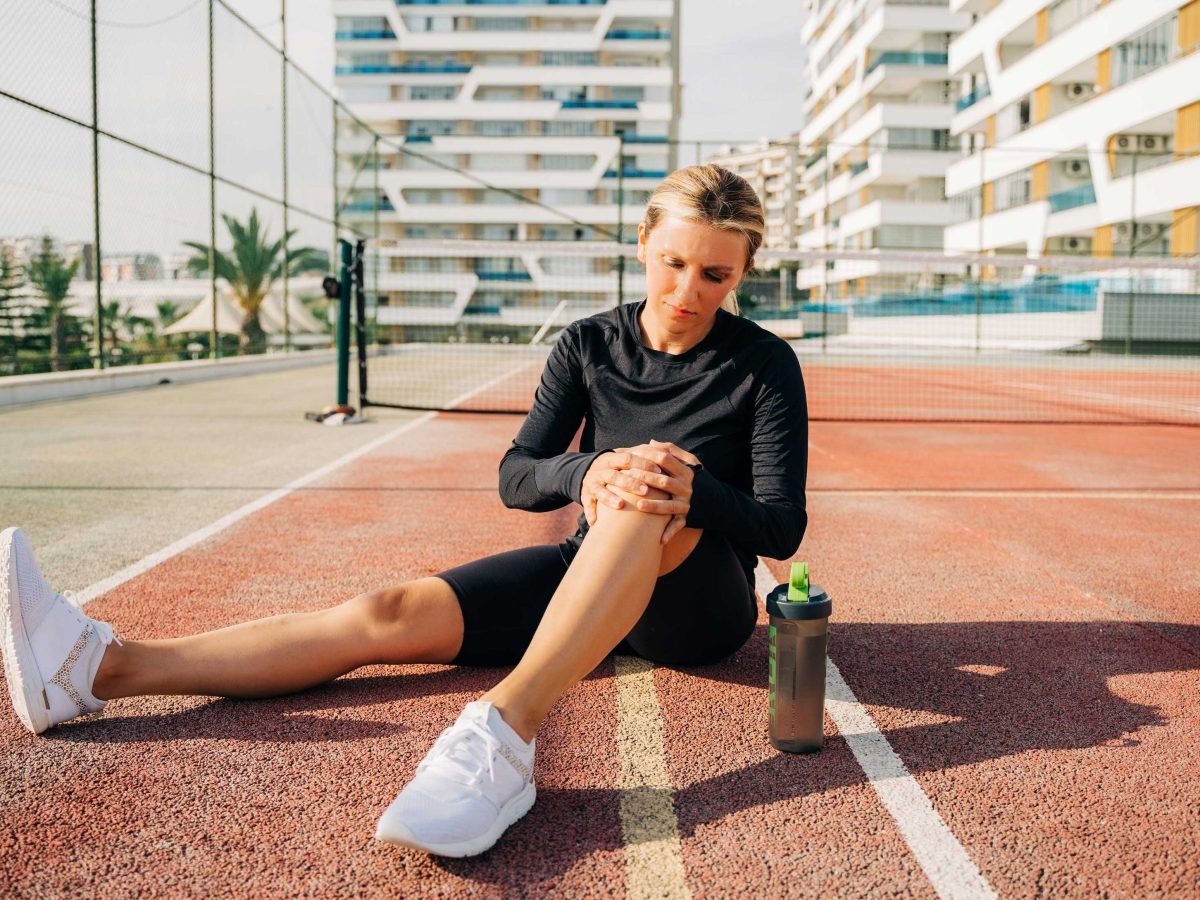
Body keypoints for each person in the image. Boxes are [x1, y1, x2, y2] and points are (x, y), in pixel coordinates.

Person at [0, 164, 808, 859]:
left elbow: (779, 526)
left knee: (651, 483)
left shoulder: (765, 366)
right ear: (641, 243)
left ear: (742, 273)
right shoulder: (588, 345)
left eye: (715, 276)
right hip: (590, 570)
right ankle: (93, 668)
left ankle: (503, 735)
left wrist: (685, 490)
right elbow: (519, 475)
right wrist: (588, 469)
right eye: (673, 264)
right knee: (384, 614)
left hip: (695, 608)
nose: (688, 291)